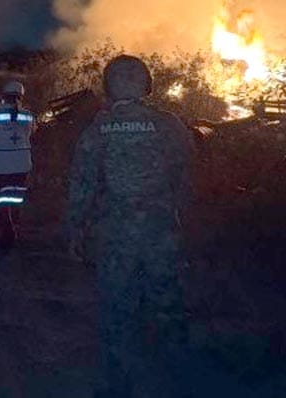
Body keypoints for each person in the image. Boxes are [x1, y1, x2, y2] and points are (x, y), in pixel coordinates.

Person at [66, 55, 194, 397]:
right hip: (161, 234)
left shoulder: (97, 130)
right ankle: (180, 379)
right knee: (168, 305)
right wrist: (182, 223)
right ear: (146, 85)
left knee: (116, 311)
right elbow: (185, 179)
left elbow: (82, 186)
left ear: (108, 87)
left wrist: (76, 231)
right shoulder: (170, 126)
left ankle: (116, 385)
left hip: (115, 237)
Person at [0, 80, 36, 248]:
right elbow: (32, 132)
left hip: (1, 166)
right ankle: (16, 226)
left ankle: (8, 233)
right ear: (20, 96)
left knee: (2, 200)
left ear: (4, 96)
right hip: (22, 165)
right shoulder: (28, 116)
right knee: (16, 198)